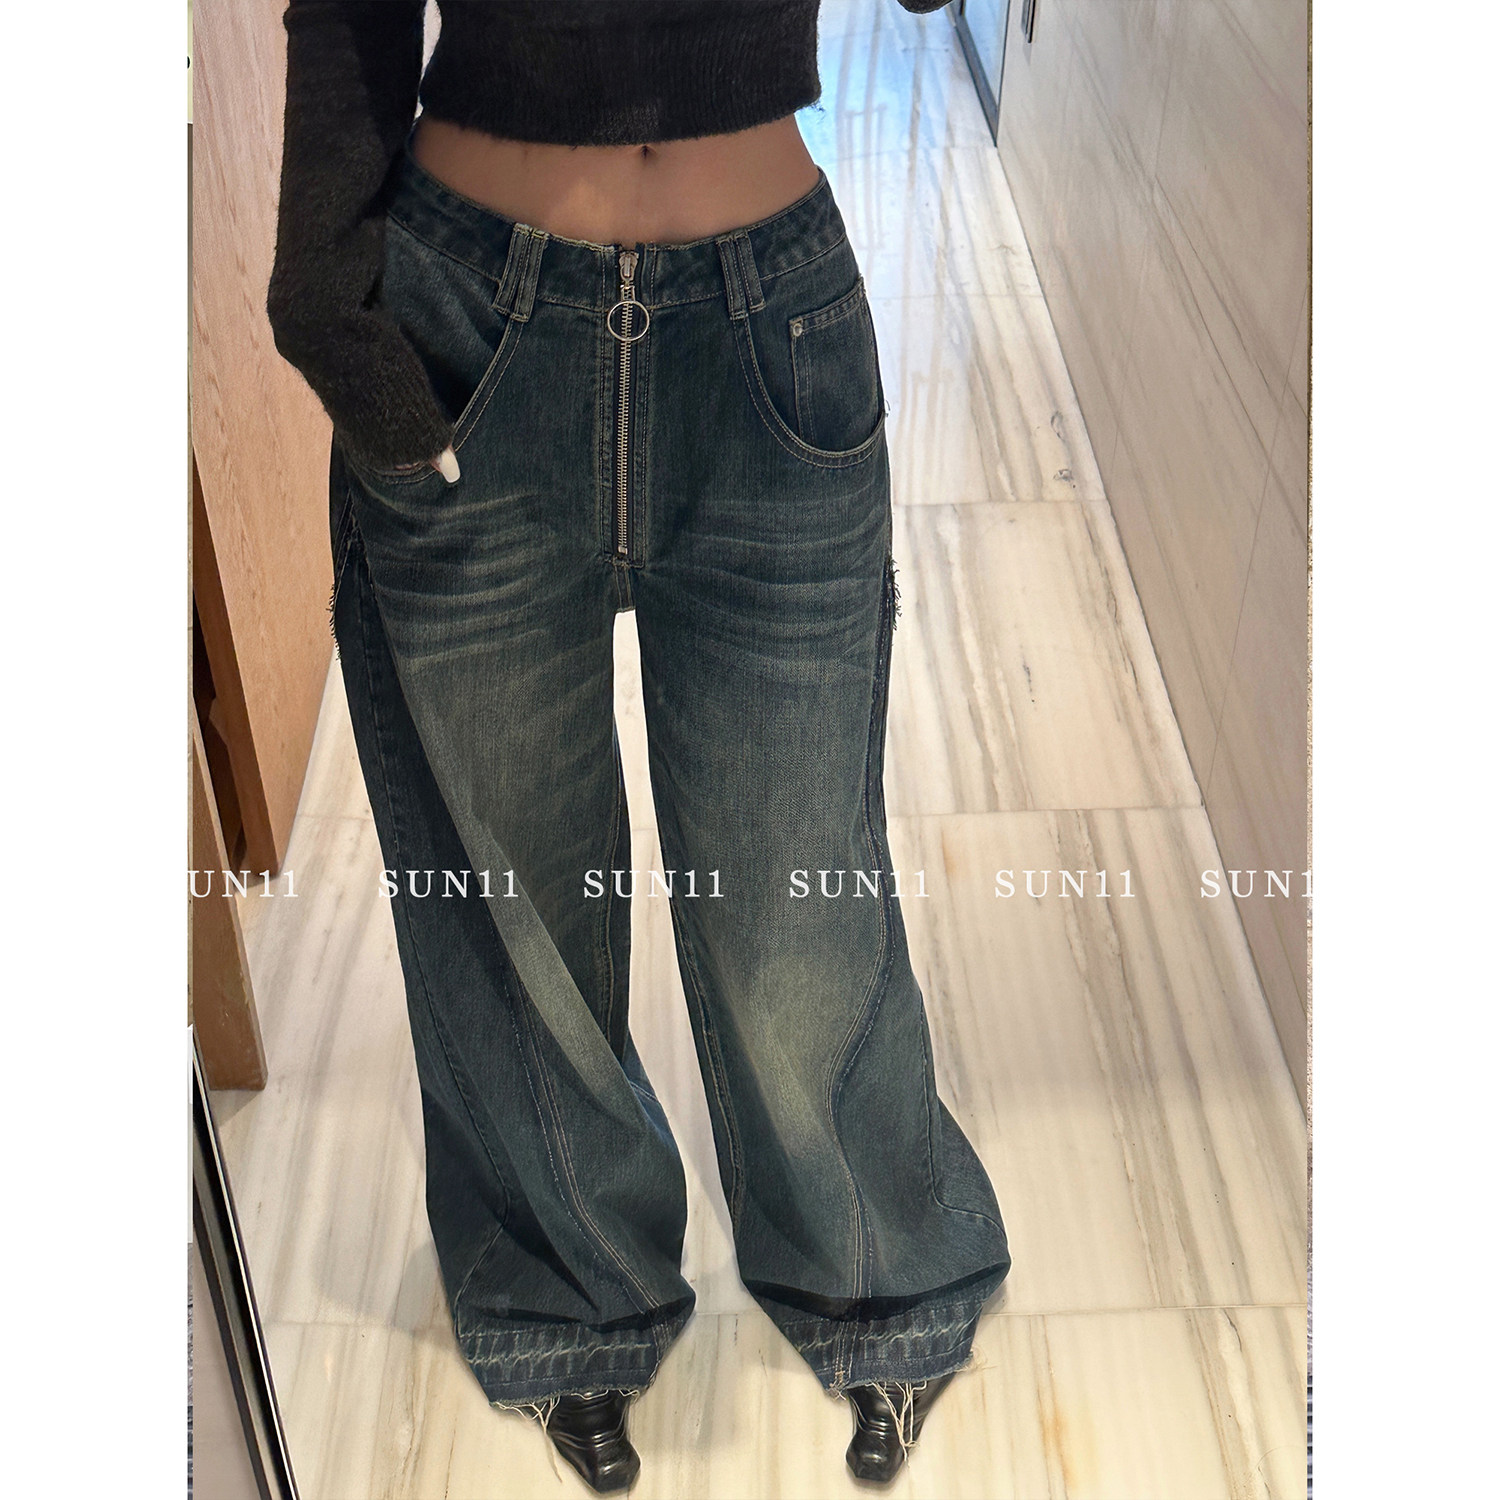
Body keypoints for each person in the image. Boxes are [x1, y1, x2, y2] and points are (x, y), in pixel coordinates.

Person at [267, 1, 1011, 1491]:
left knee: (795, 874)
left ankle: (873, 1265)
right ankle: (566, 1292)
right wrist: (332, 307)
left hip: (765, 315)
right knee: (510, 880)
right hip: (471, 320)